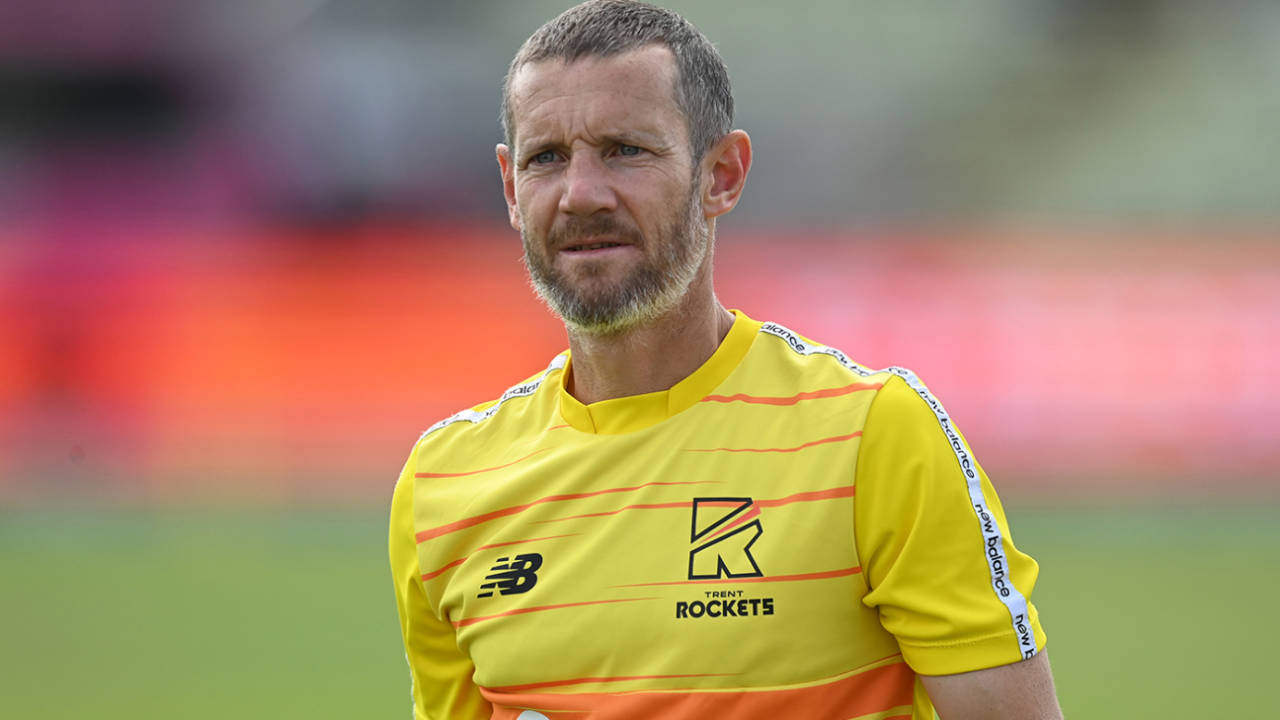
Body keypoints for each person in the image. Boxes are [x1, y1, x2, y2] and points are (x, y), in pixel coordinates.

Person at [388, 2, 1064, 718]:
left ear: (722, 175)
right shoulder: (443, 487)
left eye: (625, 150)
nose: (580, 193)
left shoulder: (872, 436)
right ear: (510, 189)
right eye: (546, 158)